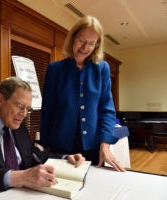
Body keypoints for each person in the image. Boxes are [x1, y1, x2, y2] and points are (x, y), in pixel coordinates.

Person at [0, 77, 85, 200]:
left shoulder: (19, 127)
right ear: (0, 99)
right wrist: (20, 177)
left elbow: (33, 154)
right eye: (20, 106)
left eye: (28, 109)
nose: (24, 114)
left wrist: (65, 157)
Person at [39, 15, 126, 172]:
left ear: (97, 45)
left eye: (92, 43)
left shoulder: (102, 69)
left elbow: (106, 109)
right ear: (72, 38)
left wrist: (104, 143)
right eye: (81, 40)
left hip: (92, 146)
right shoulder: (55, 69)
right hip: (60, 146)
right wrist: (44, 147)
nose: (85, 47)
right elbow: (48, 111)